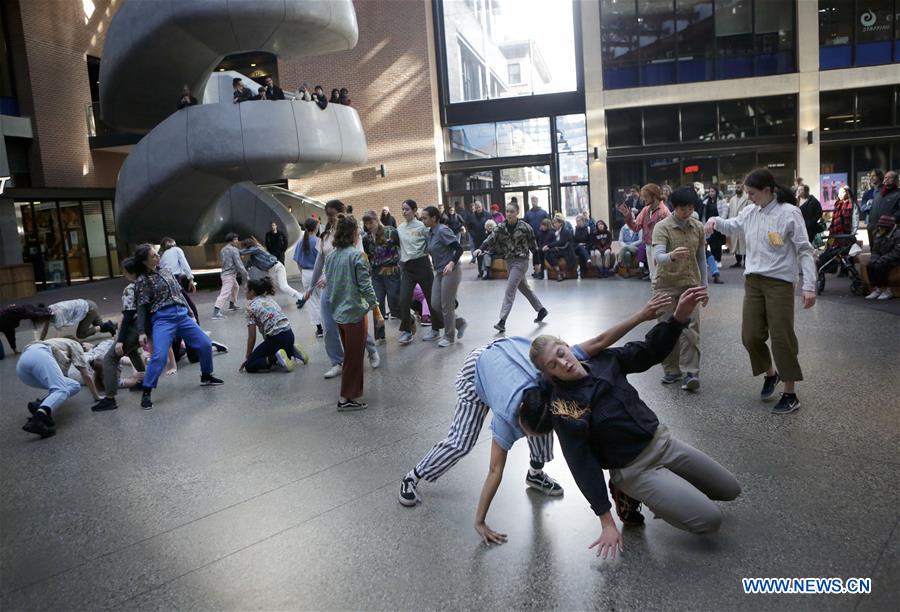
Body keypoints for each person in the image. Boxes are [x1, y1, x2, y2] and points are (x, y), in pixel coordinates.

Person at [402, 303, 681, 537]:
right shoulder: (505, 422)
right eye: (526, 431)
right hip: (477, 368)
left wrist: (641, 315)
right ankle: (413, 477)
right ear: (518, 422)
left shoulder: (550, 374)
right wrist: (480, 522)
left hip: (508, 356)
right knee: (461, 440)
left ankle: (535, 474)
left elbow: (599, 341)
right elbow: (495, 471)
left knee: (551, 423)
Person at [524, 287, 741, 555]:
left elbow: (649, 351)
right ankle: (629, 491)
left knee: (730, 490)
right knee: (710, 520)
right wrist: (606, 520)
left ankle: (666, 488)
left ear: (568, 347)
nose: (563, 363)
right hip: (634, 470)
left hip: (663, 442)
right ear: (550, 375)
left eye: (561, 353)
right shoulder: (565, 409)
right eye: (553, 365)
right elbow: (582, 465)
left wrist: (678, 318)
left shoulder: (604, 360)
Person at [705, 169, 816, 415]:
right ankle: (771, 373)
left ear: (768, 190)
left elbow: (804, 250)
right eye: (747, 193)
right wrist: (714, 220)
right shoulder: (750, 211)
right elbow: (732, 226)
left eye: (752, 193)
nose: (749, 197)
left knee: (782, 338)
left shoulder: (789, 212)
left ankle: (790, 393)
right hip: (753, 282)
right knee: (750, 336)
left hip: (779, 283)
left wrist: (809, 285)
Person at [132, 244, 223, 409]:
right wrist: (141, 331)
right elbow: (141, 307)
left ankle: (206, 375)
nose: (157, 257)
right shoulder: (142, 281)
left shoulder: (166, 271)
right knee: (159, 357)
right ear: (144, 261)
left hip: (182, 315)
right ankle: (146, 392)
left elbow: (180, 294)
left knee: (205, 343)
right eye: (153, 256)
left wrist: (190, 312)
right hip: (163, 319)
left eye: (156, 254)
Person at [305, 200, 381, 378]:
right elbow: (320, 262)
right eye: (327, 215)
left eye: (331, 214)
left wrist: (375, 308)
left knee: (353, 323)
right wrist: (311, 286)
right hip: (328, 287)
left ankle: (371, 350)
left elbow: (358, 257)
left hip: (347, 285)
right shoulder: (325, 235)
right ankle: (337, 362)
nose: (329, 217)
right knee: (329, 327)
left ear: (341, 212)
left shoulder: (352, 232)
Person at [652, 187, 709, 391]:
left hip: (690, 284)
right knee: (667, 327)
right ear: (674, 207)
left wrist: (704, 287)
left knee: (690, 329)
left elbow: (701, 258)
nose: (687, 212)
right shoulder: (662, 227)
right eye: (683, 208)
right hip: (665, 285)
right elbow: (658, 257)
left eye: (691, 208)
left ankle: (691, 373)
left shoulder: (698, 227)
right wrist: (672, 255)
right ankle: (671, 370)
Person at [324, 215, 380, 411]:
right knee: (354, 358)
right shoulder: (357, 256)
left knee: (350, 355)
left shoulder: (331, 256)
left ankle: (348, 395)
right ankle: (345, 398)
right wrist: (376, 310)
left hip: (339, 313)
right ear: (354, 233)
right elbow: (366, 287)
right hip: (355, 314)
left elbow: (330, 285)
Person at [474, 201, 548, 332]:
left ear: (517, 212)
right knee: (524, 288)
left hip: (521, 262)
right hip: (509, 262)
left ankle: (502, 321)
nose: (509, 214)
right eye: (507, 211)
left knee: (510, 290)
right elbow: (490, 239)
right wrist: (480, 248)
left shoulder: (525, 227)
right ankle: (541, 310)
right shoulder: (501, 227)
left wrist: (537, 264)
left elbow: (534, 247)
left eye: (512, 212)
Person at [90, 258, 147, 412]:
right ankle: (144, 382)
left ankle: (110, 398)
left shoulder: (131, 288)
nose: (123, 274)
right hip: (146, 326)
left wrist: (120, 339)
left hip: (135, 327)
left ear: (131, 272)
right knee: (132, 351)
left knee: (110, 359)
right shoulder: (147, 283)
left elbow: (128, 315)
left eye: (124, 271)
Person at [17, 337, 101, 438]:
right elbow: (85, 375)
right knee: (62, 389)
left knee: (74, 385)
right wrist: (96, 397)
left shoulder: (58, 346)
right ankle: (37, 420)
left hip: (23, 368)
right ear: (82, 344)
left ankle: (41, 405)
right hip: (39, 355)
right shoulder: (75, 345)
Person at [396, 200, 444, 345]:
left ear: (414, 210)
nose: (404, 212)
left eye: (407, 209)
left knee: (430, 298)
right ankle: (407, 331)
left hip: (422, 264)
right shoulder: (400, 228)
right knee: (404, 299)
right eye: (402, 209)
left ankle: (435, 329)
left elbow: (432, 243)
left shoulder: (423, 227)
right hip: (407, 267)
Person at [240, 277, 309, 373]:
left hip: (276, 339)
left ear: (252, 292)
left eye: (245, 289)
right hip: (289, 335)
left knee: (250, 365)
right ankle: (291, 350)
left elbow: (252, 337)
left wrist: (249, 356)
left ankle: (274, 358)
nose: (244, 292)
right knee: (278, 349)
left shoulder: (250, 309)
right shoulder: (269, 299)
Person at [422, 206, 468, 347]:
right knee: (435, 304)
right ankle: (459, 322)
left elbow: (459, 249)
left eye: (425, 218)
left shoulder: (443, 231)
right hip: (439, 271)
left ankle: (449, 336)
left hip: (451, 270)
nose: (422, 220)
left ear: (434, 218)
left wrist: (451, 264)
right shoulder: (430, 233)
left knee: (446, 304)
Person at [618, 183, 671, 281]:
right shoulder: (646, 210)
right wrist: (628, 217)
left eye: (645, 196)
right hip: (648, 245)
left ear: (654, 196)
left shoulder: (664, 211)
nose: (643, 199)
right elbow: (636, 227)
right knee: (653, 276)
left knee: (659, 276)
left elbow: (668, 233)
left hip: (660, 247)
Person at [362, 211, 401, 336]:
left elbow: (402, 247)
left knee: (394, 303)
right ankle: (379, 336)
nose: (369, 226)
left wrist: (402, 265)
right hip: (376, 273)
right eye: (366, 223)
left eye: (371, 222)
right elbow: (367, 255)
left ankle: (408, 321)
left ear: (377, 220)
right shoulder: (366, 238)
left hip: (391, 271)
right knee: (377, 303)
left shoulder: (390, 231)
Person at [240, 238, 304, 305]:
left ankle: (301, 297)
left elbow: (242, 252)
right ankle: (299, 296)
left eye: (244, 247)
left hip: (277, 267)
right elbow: (247, 266)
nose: (244, 249)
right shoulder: (253, 257)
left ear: (248, 246)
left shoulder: (256, 248)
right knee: (277, 286)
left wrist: (236, 252)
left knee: (283, 286)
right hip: (272, 270)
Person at [293, 218, 323, 337]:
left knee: (313, 302)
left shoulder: (301, 242)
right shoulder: (319, 241)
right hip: (319, 274)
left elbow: (297, 261)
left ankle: (319, 329)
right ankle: (326, 325)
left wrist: (302, 273)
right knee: (323, 300)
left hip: (306, 274)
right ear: (315, 227)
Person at [817, 185, 856, 273]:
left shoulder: (851, 204)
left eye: (842, 192)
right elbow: (835, 218)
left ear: (847, 193)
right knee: (834, 249)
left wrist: (853, 232)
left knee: (846, 251)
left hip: (846, 232)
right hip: (835, 232)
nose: (840, 194)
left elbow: (854, 219)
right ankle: (833, 267)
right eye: (839, 192)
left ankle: (847, 270)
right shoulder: (837, 203)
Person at [40, 299, 117, 340]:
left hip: (89, 309)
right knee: (102, 328)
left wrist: (53, 346)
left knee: (81, 334)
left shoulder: (57, 314)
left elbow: (57, 337)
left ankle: (107, 325)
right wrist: (40, 342)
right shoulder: (48, 310)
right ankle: (118, 325)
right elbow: (45, 330)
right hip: (88, 304)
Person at [212, 233, 248, 320]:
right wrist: (245, 274)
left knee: (235, 287)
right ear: (231, 240)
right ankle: (216, 313)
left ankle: (232, 304)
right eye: (236, 239)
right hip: (229, 275)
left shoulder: (223, 249)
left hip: (225, 274)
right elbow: (238, 264)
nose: (237, 241)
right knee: (225, 293)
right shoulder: (234, 250)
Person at [865, 214, 900, 300]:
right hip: (882, 257)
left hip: (895, 259)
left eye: (882, 227)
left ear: (889, 227)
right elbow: (875, 250)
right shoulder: (879, 233)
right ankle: (877, 288)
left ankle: (887, 290)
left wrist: (882, 259)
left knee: (881, 266)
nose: (880, 228)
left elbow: (897, 252)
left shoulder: (897, 234)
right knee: (870, 265)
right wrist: (874, 259)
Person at [868, 170, 900, 246]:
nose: (887, 179)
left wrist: (889, 221)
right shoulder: (878, 193)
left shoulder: (898, 194)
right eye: (885, 177)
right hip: (873, 229)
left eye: (890, 177)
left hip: (889, 231)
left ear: (896, 180)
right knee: (874, 251)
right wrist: (870, 225)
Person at [543, 216, 577, 282]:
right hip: (561, 249)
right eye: (553, 223)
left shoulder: (565, 231)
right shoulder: (557, 231)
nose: (554, 225)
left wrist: (548, 246)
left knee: (551, 253)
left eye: (555, 223)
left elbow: (561, 242)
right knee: (548, 253)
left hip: (567, 250)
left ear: (560, 223)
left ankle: (559, 274)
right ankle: (558, 272)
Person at [464, 201, 491, 278]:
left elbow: (491, 224)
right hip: (476, 239)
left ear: (482, 207)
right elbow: (468, 226)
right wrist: (472, 234)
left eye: (479, 207)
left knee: (487, 254)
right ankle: (480, 272)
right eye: (476, 207)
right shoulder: (472, 216)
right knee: (479, 256)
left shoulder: (487, 215)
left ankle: (488, 272)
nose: (478, 209)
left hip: (486, 238)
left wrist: (489, 232)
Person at [701, 187, 726, 263]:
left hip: (717, 224)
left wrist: (721, 221)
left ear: (716, 192)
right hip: (708, 225)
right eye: (710, 191)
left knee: (717, 243)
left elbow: (724, 212)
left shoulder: (721, 201)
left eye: (713, 191)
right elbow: (703, 215)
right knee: (710, 243)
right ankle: (712, 260)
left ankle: (718, 260)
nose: (711, 193)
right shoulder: (705, 202)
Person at [728, 184, 750, 267]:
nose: (737, 189)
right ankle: (738, 261)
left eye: (739, 187)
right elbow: (730, 212)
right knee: (736, 245)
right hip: (734, 223)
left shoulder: (747, 198)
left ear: (743, 188)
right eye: (736, 187)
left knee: (744, 244)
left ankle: (746, 262)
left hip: (744, 224)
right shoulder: (732, 199)